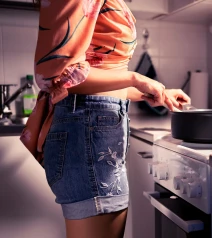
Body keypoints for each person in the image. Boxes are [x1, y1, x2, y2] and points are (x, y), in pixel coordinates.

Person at [20, 0, 190, 237]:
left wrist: (149, 92)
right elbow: (56, 72)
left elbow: (96, 77)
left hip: (96, 132)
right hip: (89, 133)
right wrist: (134, 78)